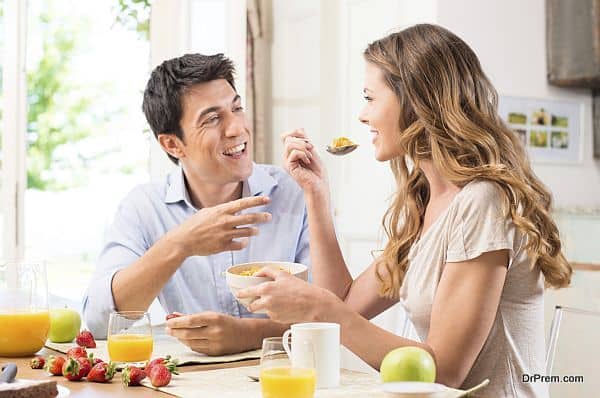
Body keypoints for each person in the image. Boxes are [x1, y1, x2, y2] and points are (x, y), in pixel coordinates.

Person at [237, 24, 571, 397]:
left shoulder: (483, 201)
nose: (362, 116)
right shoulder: (426, 203)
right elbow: (346, 303)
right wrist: (316, 195)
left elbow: (443, 371)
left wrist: (322, 311)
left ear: (416, 100)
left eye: (370, 98)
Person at [83, 53, 310, 355]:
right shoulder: (144, 207)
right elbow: (99, 321)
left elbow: (331, 314)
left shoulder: (294, 190)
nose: (237, 128)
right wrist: (181, 243)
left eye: (237, 108)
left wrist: (248, 334)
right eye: (213, 119)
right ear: (172, 144)